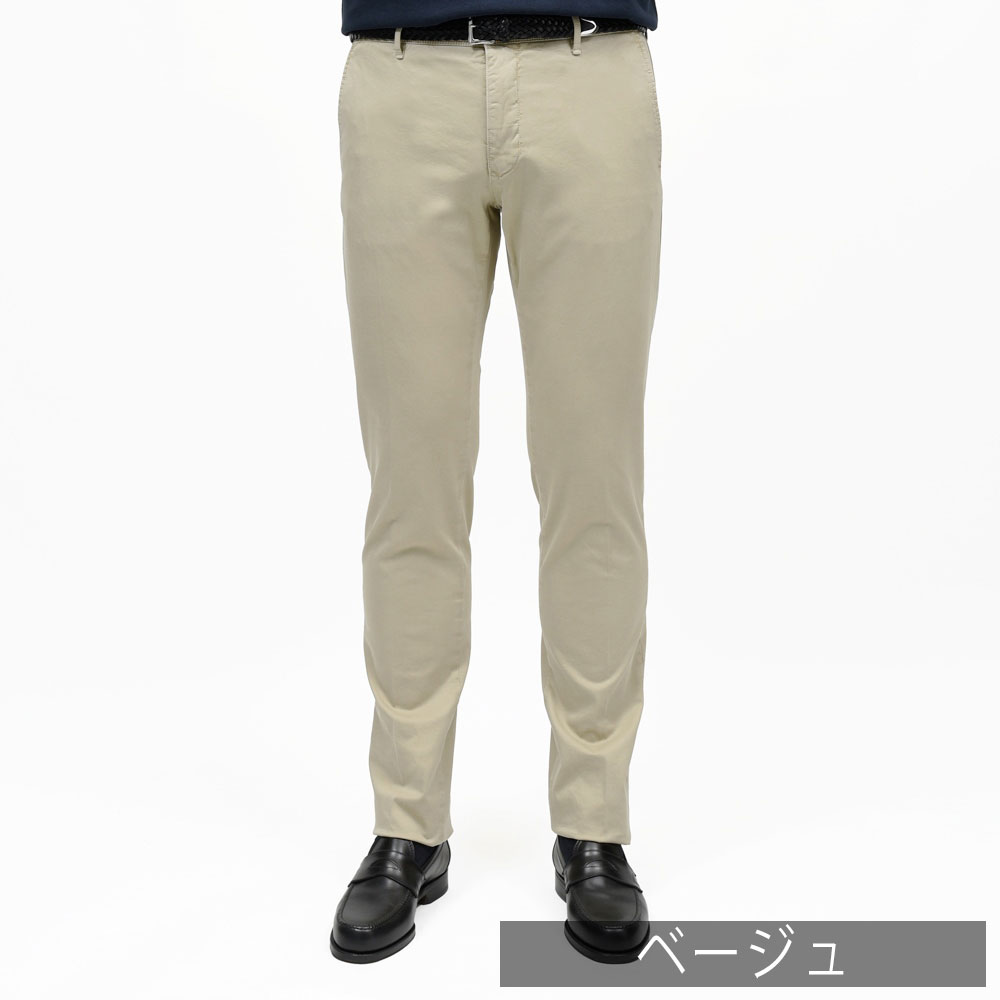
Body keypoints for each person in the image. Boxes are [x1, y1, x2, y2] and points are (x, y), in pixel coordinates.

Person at [330, 5, 662, 965]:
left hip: (590, 67)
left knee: (595, 486)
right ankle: (408, 824)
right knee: (412, 490)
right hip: (403, 76)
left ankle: (594, 825)